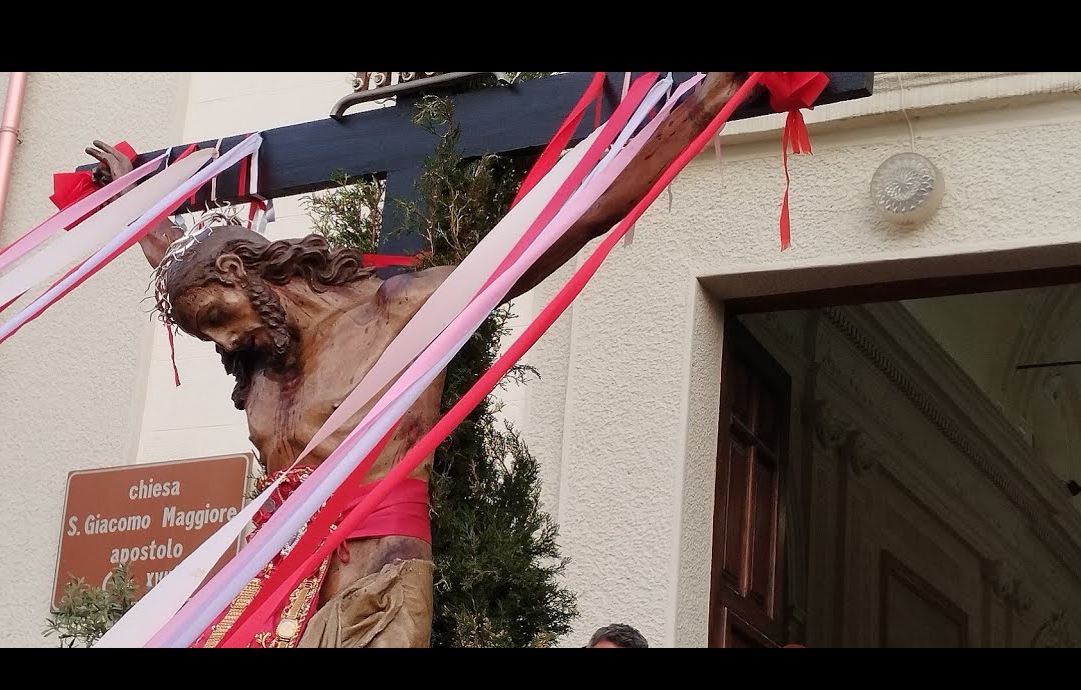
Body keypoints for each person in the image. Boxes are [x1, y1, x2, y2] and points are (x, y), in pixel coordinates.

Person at [78, 72, 751, 649]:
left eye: (218, 320)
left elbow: (570, 222)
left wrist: (705, 103)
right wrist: (138, 204)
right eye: (207, 335)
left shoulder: (397, 314)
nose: (226, 343)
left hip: (377, 590)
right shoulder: (260, 364)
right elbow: (179, 259)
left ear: (241, 272)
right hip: (270, 593)